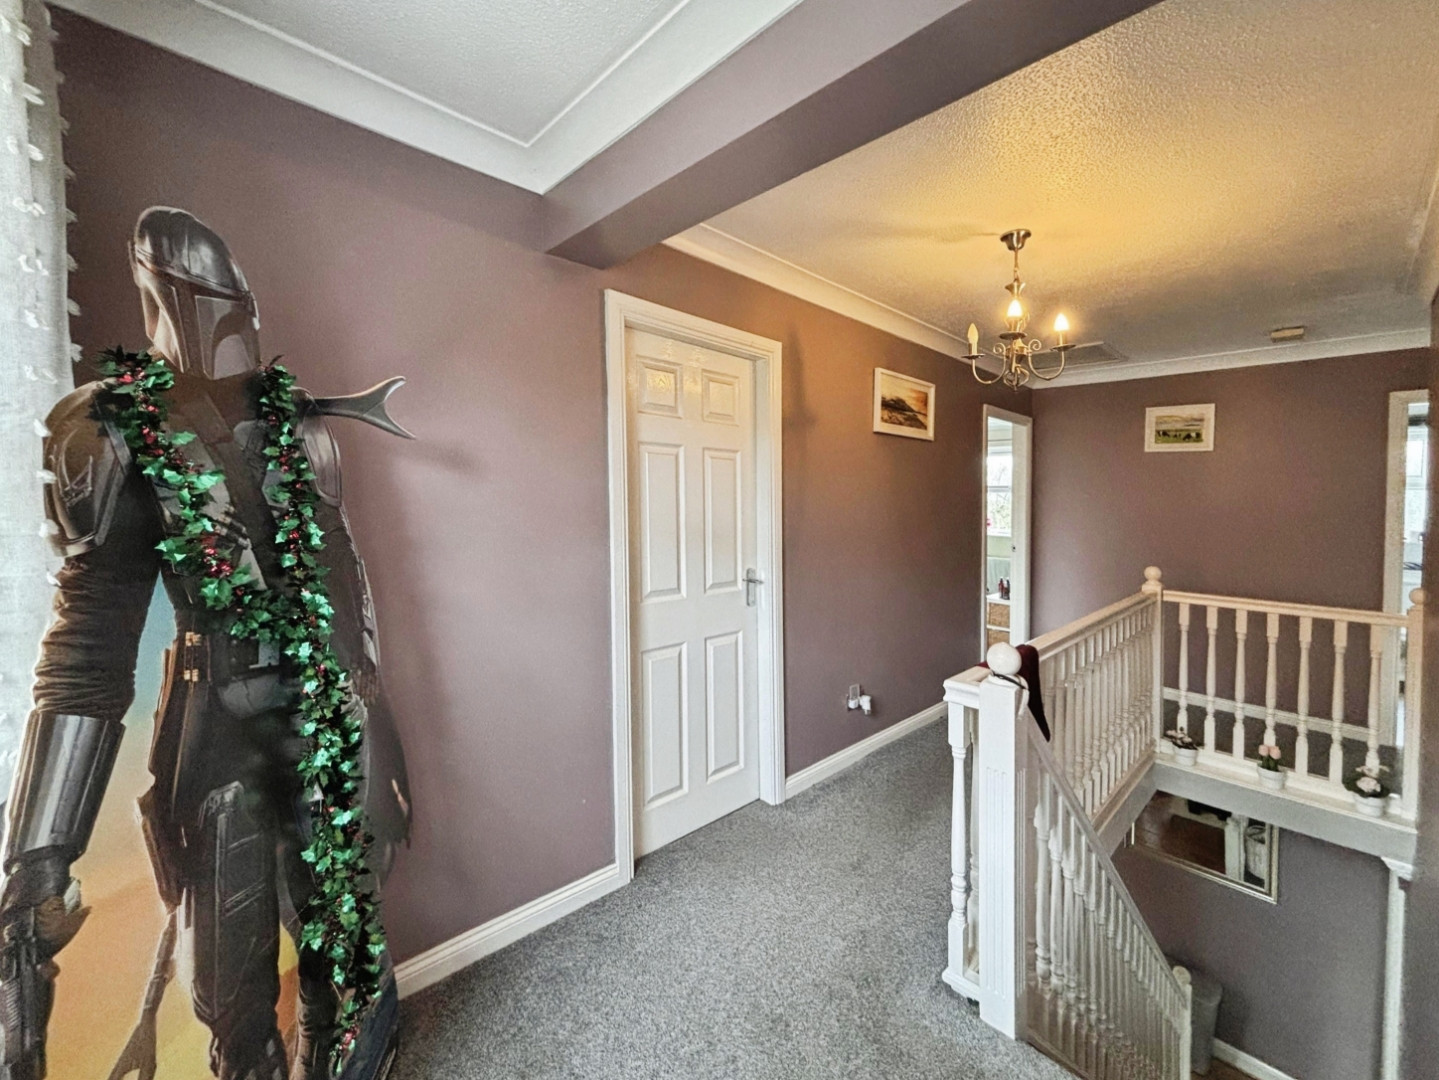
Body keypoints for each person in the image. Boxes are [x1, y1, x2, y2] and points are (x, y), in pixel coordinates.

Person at [0, 207, 412, 1080]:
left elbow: (343, 576)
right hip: (216, 733)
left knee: (344, 960)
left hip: (326, 720)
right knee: (230, 997)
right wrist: (41, 850)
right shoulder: (110, 427)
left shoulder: (297, 424)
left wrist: (369, 724)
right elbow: (91, 639)